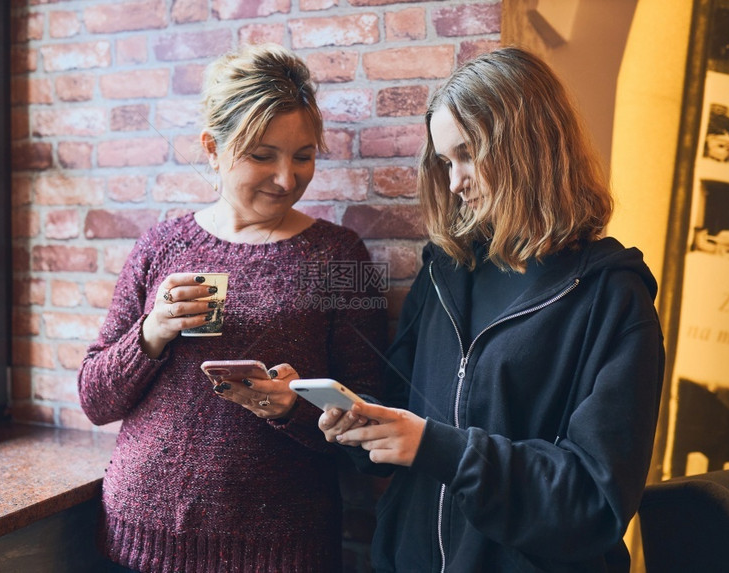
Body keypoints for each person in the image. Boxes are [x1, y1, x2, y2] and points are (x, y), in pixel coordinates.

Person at [319, 47, 665, 572]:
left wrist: (441, 449)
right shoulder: (444, 274)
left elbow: (595, 500)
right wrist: (347, 421)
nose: (454, 182)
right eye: (445, 161)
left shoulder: (611, 297)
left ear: (528, 146)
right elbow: (399, 409)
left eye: (467, 154)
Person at [78, 43, 386, 572]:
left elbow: (373, 417)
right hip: (141, 536)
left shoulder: (340, 254)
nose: (287, 179)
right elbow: (95, 399)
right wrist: (150, 333)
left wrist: (293, 410)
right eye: (262, 155)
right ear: (213, 148)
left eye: (304, 156)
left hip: (282, 546)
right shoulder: (161, 247)